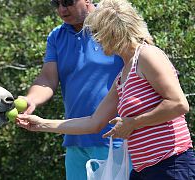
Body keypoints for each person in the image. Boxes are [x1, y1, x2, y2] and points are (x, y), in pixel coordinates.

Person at [17, 0, 195, 179]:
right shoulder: (122, 77)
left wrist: (133, 123)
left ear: (113, 31)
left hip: (172, 164)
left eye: (97, 32)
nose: (96, 40)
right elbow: (94, 122)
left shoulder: (147, 55)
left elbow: (179, 104)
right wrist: (40, 124)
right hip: (144, 170)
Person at [18, 0, 123, 179]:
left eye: (67, 2)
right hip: (75, 140)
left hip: (115, 140)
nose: (62, 9)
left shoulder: (113, 25)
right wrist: (31, 100)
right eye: (56, 3)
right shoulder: (56, 36)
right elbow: (47, 78)